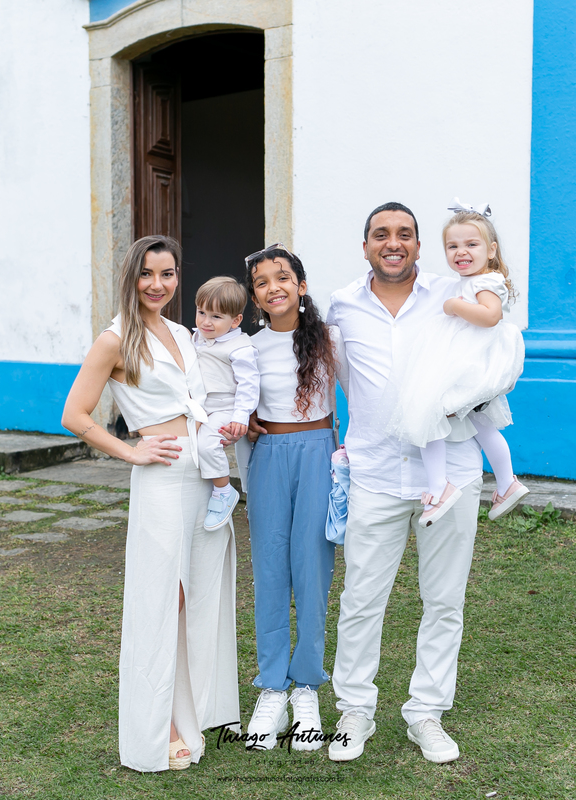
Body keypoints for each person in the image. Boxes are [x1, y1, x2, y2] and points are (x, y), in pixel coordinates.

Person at [60, 235, 239, 773]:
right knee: (162, 598)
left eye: (167, 273)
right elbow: (75, 413)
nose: (157, 285)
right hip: (161, 476)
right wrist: (130, 451)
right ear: (130, 278)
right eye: (147, 274)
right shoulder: (115, 339)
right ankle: (154, 726)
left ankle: (197, 712)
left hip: (205, 474)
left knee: (203, 596)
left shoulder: (186, 333)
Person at [326, 202, 484, 764]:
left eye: (405, 234)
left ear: (419, 245)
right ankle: (354, 711)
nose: (393, 243)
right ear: (365, 244)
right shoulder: (341, 306)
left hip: (450, 475)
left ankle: (426, 714)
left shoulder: (452, 296)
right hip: (373, 474)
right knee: (361, 598)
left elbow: (489, 352)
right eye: (380, 234)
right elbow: (339, 379)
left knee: (444, 600)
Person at [242, 244, 346, 752]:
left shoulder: (329, 340)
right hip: (269, 455)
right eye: (262, 282)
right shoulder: (247, 347)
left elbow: (364, 395)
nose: (273, 287)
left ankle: (306, 685)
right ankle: (271, 687)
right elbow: (223, 400)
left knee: (312, 567)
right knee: (270, 569)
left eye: (282, 277)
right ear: (256, 296)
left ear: (301, 286)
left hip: (319, 453)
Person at [385, 202, 528, 526]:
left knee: (428, 411)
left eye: (471, 244)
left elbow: (491, 316)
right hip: (467, 358)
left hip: (469, 361)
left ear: (491, 250)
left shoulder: (485, 282)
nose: (461, 252)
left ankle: (440, 487)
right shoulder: (476, 279)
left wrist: (453, 306)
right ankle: (506, 483)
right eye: (453, 246)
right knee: (482, 425)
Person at [191, 276, 259, 530]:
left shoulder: (240, 347)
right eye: (201, 312)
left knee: (208, 446)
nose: (206, 321)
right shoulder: (196, 337)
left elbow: (249, 385)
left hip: (225, 408)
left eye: (216, 317)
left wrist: (240, 416)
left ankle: (223, 491)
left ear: (235, 320)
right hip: (200, 406)